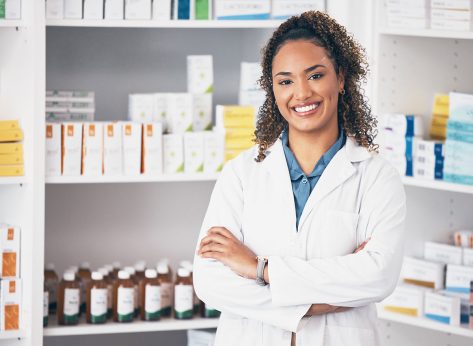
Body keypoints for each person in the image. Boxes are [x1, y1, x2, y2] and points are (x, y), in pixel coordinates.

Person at [193, 11, 406, 346]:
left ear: (341, 76)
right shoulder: (242, 173)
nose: (302, 93)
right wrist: (314, 304)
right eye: (286, 81)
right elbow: (210, 281)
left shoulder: (377, 176)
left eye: (315, 75)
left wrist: (260, 270)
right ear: (273, 91)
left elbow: (378, 276)